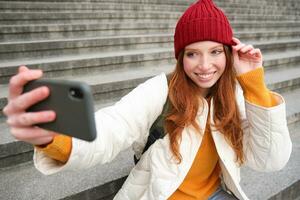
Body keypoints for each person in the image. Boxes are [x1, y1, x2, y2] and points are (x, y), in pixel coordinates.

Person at [3, 0, 292, 199]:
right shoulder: (160, 90)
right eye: (193, 53)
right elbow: (112, 128)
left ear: (228, 54)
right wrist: (56, 137)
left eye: (215, 52)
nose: (205, 65)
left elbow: (271, 161)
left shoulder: (235, 95)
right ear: (180, 57)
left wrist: (253, 82)